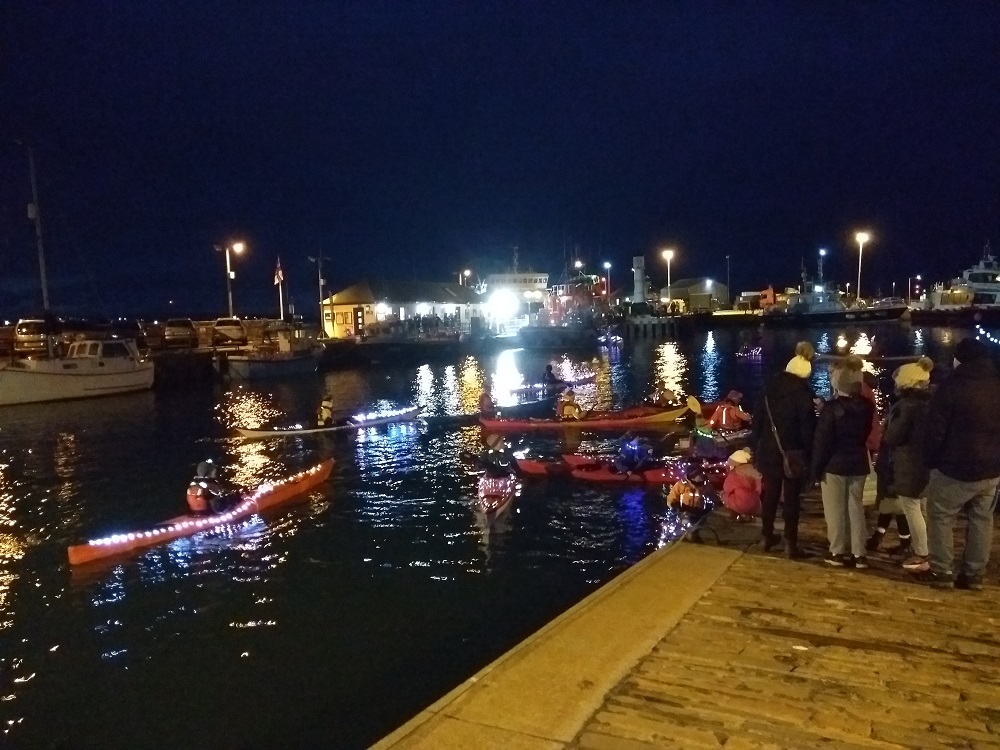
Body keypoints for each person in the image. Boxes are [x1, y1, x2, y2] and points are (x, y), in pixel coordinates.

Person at [918, 338, 1000, 589]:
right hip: (991, 468)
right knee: (981, 519)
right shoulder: (997, 385)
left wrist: (930, 460)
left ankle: (942, 570)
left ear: (960, 359)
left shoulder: (950, 387)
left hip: (954, 465)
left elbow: (935, 430)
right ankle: (974, 573)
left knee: (940, 516)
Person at [750, 342, 817, 558]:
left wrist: (756, 447)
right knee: (791, 500)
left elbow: (757, 423)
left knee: (769, 495)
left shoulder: (768, 389)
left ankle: (766, 536)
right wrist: (809, 454)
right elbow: (808, 428)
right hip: (793, 453)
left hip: (768, 452)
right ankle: (790, 543)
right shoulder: (803, 394)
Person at [872, 357, 934, 572]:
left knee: (912, 509)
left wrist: (886, 427)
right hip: (928, 463)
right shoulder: (931, 402)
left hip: (909, 464)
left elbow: (893, 437)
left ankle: (921, 553)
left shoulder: (906, 406)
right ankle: (928, 549)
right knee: (924, 509)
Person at [812, 362, 875, 568]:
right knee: (855, 509)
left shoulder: (831, 409)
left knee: (835, 510)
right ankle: (859, 553)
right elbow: (865, 433)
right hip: (858, 461)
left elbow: (822, 441)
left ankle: (837, 551)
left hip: (834, 464)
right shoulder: (867, 406)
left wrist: (815, 470)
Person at [721, 449, 762, 520]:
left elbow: (726, 488)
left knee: (724, 495)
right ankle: (749, 515)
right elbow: (758, 490)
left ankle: (736, 513)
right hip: (755, 505)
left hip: (740, 505)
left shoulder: (733, 474)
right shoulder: (755, 472)